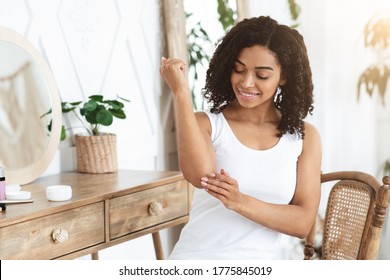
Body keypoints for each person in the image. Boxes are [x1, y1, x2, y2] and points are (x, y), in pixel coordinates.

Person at [160, 15, 322, 259]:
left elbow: (302, 223)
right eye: (239, 70)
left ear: (284, 77)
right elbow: (199, 176)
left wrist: (239, 201)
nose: (246, 83)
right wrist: (181, 91)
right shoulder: (208, 124)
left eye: (262, 75)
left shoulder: (304, 137)